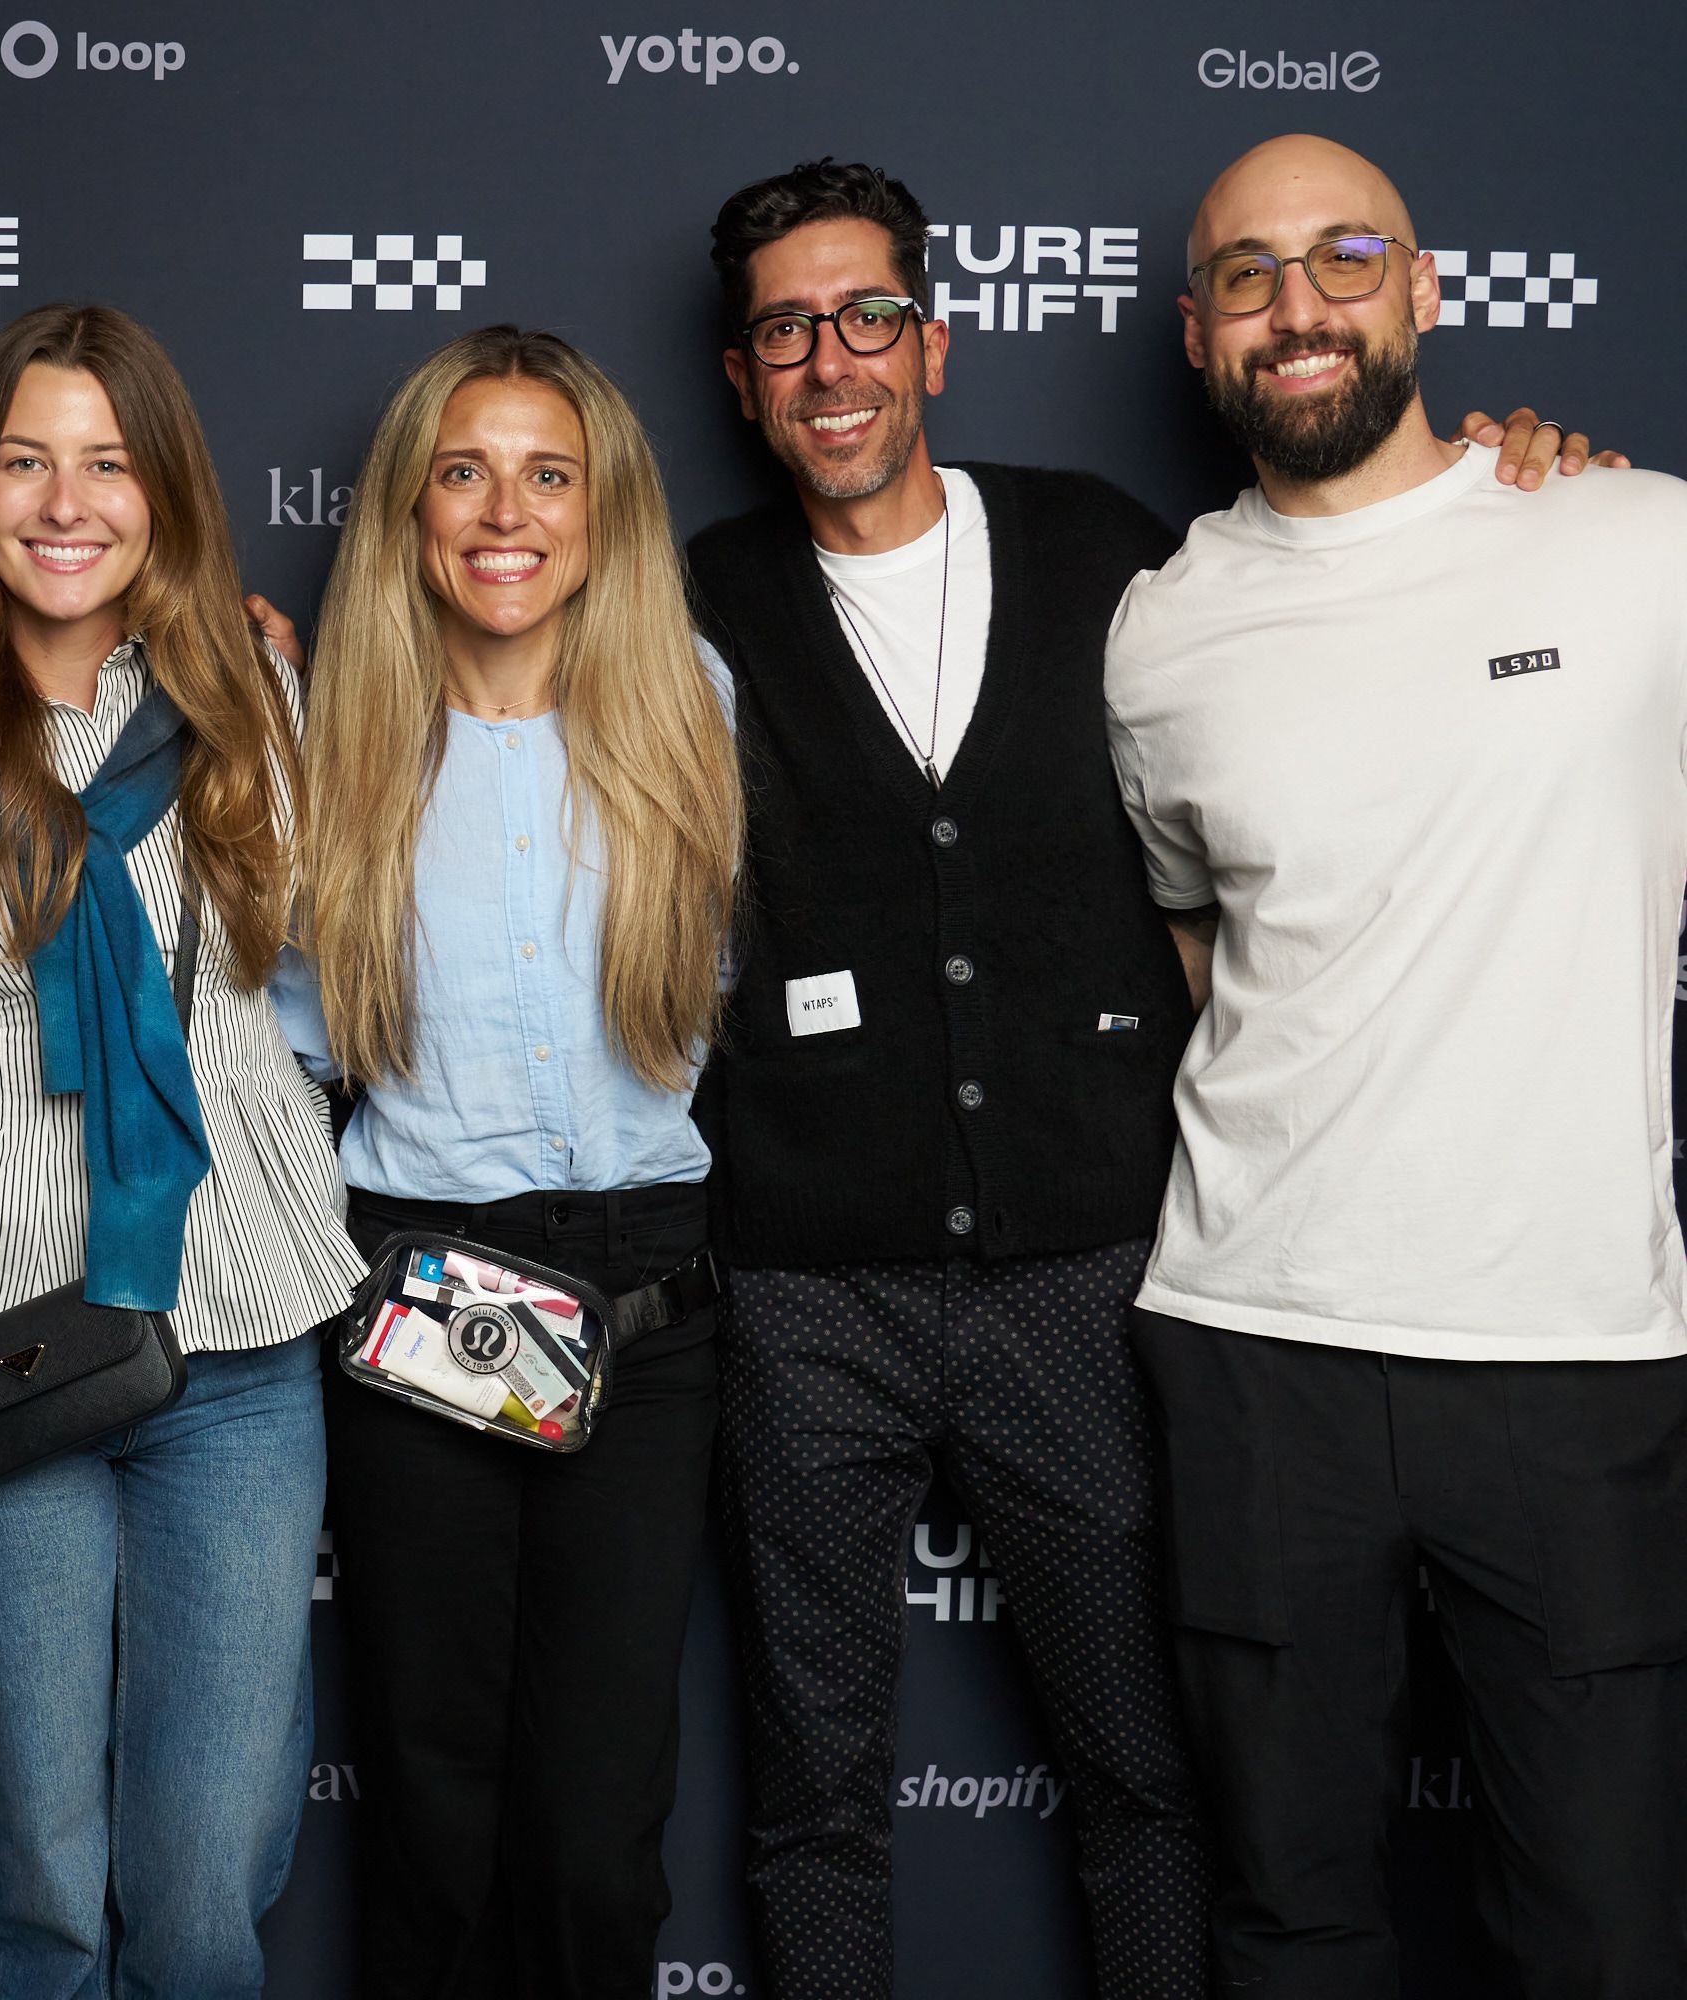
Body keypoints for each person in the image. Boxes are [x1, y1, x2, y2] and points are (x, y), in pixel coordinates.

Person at [682, 157, 1615, 2000]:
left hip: (1086, 1282)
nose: (832, 362)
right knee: (812, 1793)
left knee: (1149, 1774)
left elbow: (1359, 627)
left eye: (869, 315)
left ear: (935, 340)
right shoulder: (682, 600)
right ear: (741, 379)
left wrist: (1528, 493)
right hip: (803, 1294)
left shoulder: (1118, 553)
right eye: (786, 331)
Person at [1110, 133, 1687, 1997]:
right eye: (1248, 275)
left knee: (1599, 1928)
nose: (1299, 305)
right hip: (1260, 1339)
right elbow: (1205, 954)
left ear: (1427, 291)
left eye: (1344, 257)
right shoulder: (1159, 629)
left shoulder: (1637, 542)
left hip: (1571, 1349)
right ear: (1199, 332)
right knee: (1293, 1918)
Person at [0, 302, 363, 2000]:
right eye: (27, 460)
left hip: (242, 1343)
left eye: (109, 464)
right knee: (40, 1882)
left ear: (165, 494)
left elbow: (336, 954)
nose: (67, 501)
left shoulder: (250, 689)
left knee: (205, 1889)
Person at [273, 325, 741, 2000]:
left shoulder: (696, 711)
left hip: (648, 1299)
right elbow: (294, 1040)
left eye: (551, 475)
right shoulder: (327, 750)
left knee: (599, 1821)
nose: (505, 511)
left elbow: (729, 993)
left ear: (603, 518)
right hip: (425, 1291)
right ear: (408, 513)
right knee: (434, 1792)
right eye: (462, 471)